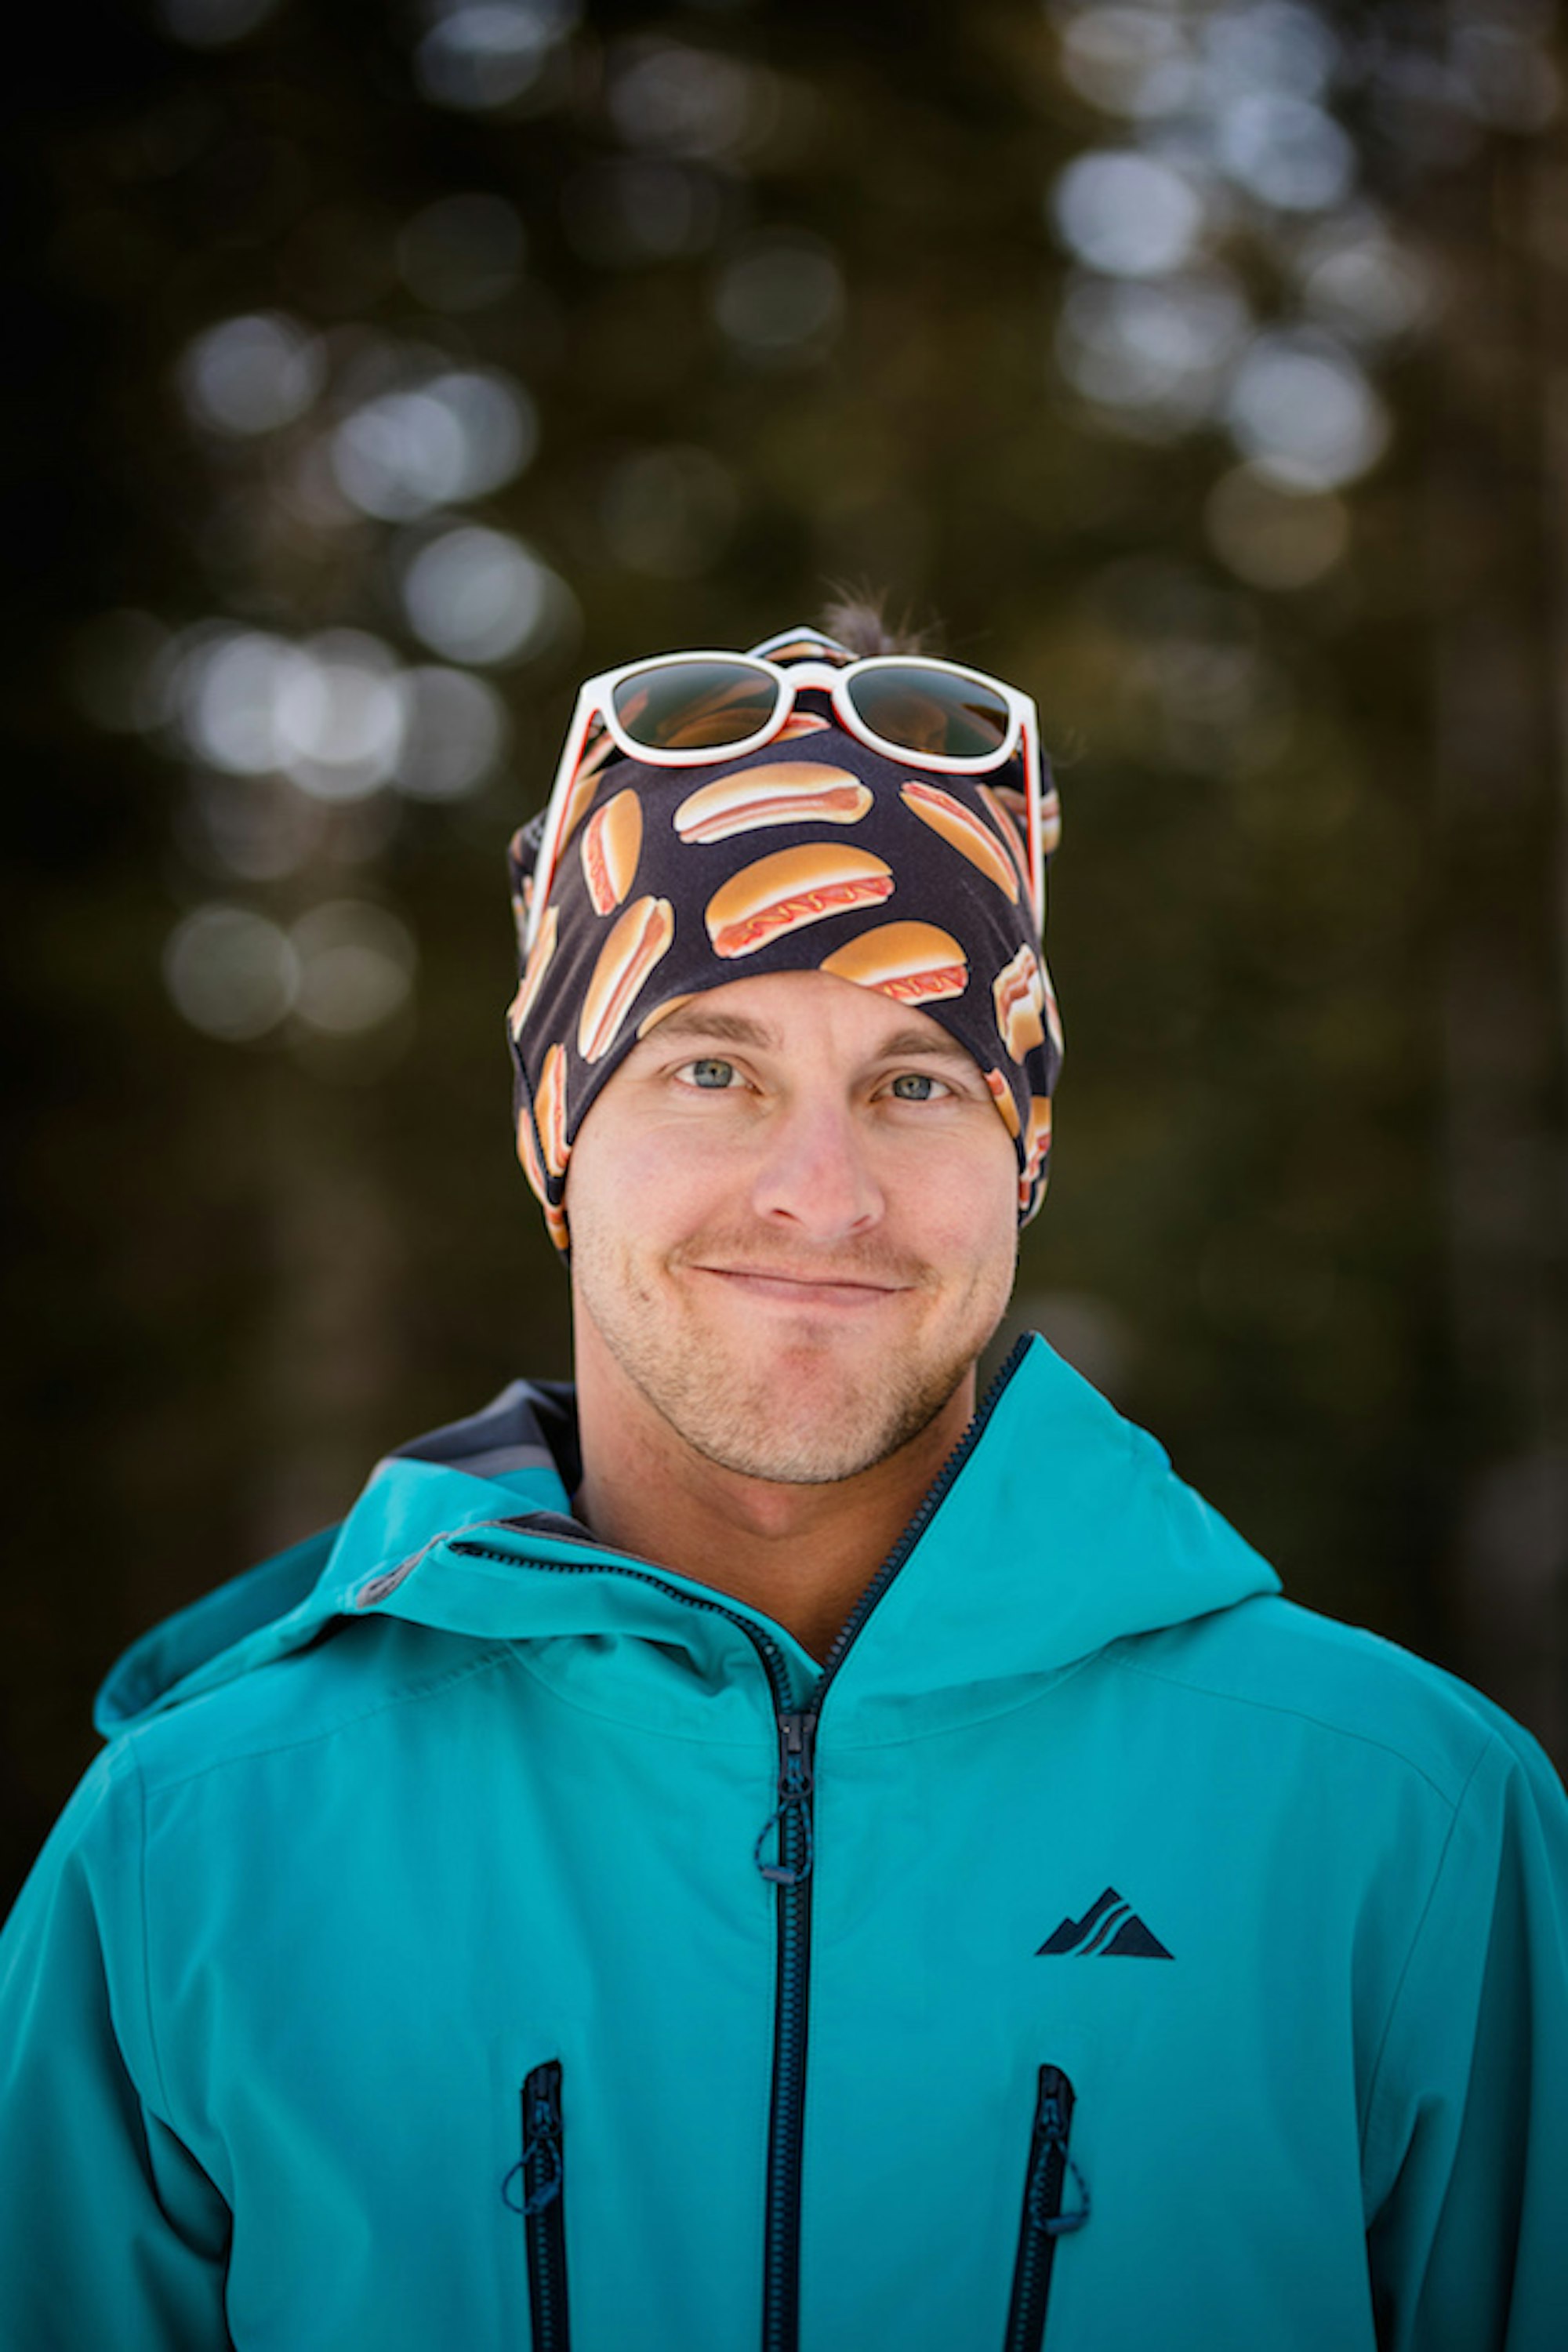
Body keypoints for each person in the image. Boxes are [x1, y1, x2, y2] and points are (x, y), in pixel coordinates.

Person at [2, 606, 1565, 2352]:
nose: (822, 1192)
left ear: (1022, 1155)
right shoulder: (201, 1843)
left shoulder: (1402, 1823)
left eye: (917, 1081)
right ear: (558, 1137)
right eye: (711, 1068)